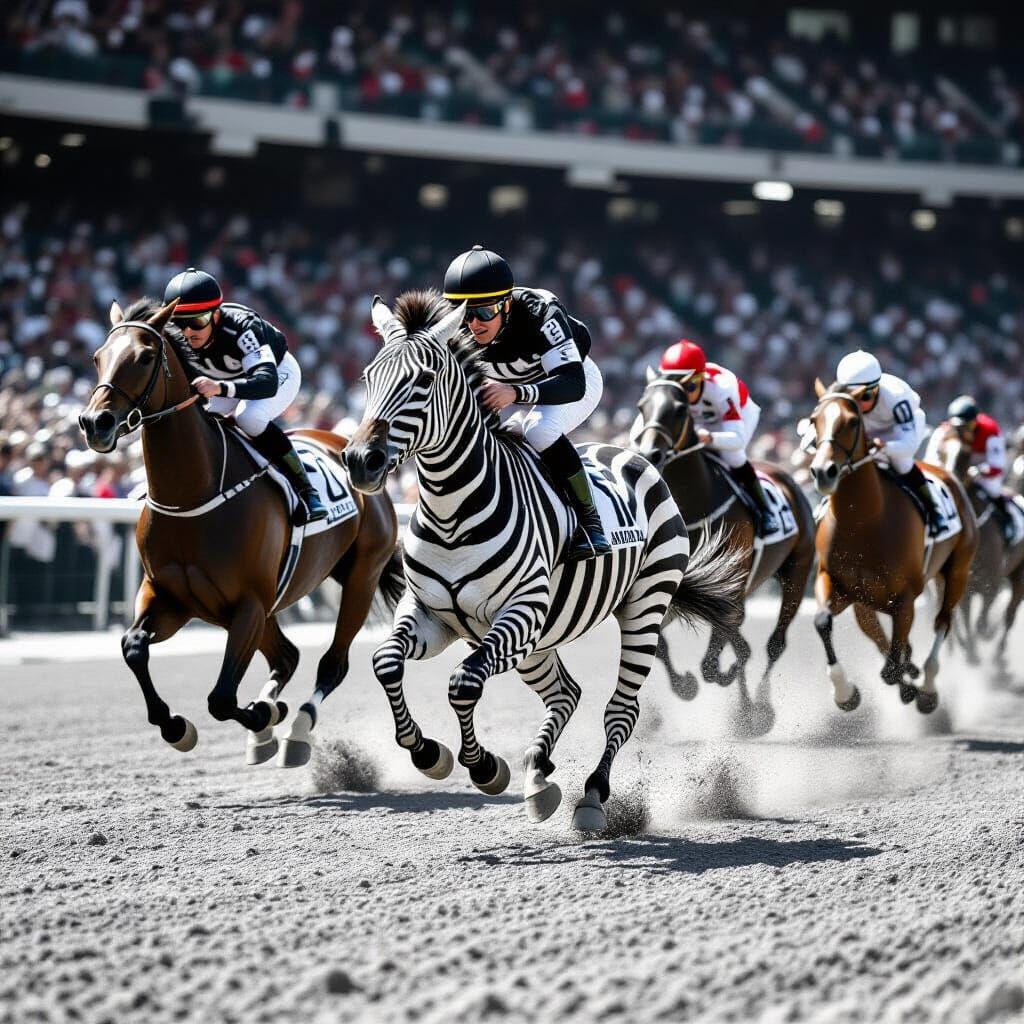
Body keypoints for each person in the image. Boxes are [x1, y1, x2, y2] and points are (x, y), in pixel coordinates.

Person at [442, 245, 610, 560]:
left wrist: (516, 392)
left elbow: (572, 384)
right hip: (514, 390)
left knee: (539, 430)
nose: (473, 324)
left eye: (484, 311)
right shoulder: (455, 330)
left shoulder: (540, 312)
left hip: (572, 382)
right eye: (464, 313)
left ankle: (591, 523)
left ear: (507, 304)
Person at [163, 268, 326, 524]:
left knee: (249, 417)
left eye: (196, 322)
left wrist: (221, 388)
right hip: (225, 380)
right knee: (200, 424)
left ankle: (306, 490)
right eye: (178, 323)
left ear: (216, 315)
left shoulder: (241, 326)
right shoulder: (176, 335)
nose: (187, 333)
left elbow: (266, 383)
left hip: (277, 373)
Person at [658, 339, 779, 537]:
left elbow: (737, 438)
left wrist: (710, 438)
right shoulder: (667, 389)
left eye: (684, 386)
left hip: (737, 417)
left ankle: (765, 510)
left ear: (699, 380)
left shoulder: (721, 388)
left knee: (732, 457)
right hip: (699, 421)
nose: (676, 392)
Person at [833, 350, 945, 536]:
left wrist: (885, 447)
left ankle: (933, 510)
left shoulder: (896, 397)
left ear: (876, 389)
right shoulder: (838, 397)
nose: (858, 404)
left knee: (902, 464)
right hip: (866, 428)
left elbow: (908, 445)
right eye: (851, 397)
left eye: (865, 397)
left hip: (897, 428)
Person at [945, 395, 1015, 542]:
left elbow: (998, 466)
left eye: (968, 427)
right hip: (964, 460)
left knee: (992, 490)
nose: (964, 432)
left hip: (984, 462)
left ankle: (1006, 522)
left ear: (975, 422)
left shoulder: (990, 431)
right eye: (960, 427)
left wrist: (979, 471)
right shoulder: (947, 430)